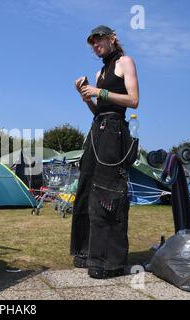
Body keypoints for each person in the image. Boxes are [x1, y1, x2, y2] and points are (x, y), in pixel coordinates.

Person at [70, 25, 140, 279]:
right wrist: (87, 98)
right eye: (93, 43)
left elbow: (133, 100)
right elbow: (100, 110)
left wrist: (99, 91)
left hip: (115, 132)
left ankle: (111, 261)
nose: (96, 45)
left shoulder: (125, 62)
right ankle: (88, 252)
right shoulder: (99, 72)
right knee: (88, 188)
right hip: (97, 130)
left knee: (109, 192)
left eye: (99, 40)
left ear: (112, 39)